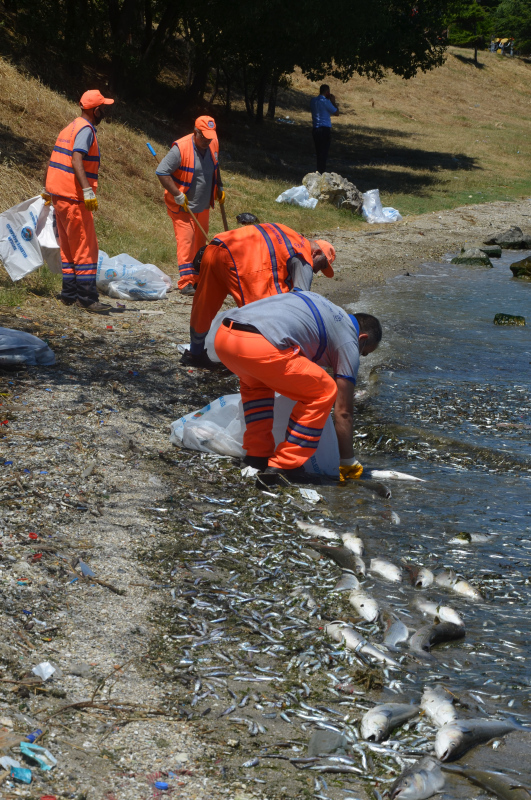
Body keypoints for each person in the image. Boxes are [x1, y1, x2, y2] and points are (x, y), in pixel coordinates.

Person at [213, 290, 382, 483]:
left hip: (225, 337)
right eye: (365, 353)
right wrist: (347, 460)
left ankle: (257, 455)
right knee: (324, 391)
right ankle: (285, 464)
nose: (360, 357)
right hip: (260, 345)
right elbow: (343, 411)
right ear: (361, 338)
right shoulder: (349, 339)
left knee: (258, 386)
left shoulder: (327, 309)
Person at [186, 223, 336, 366]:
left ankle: (195, 354)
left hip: (215, 248)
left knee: (204, 306)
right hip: (242, 263)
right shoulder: (304, 254)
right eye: (321, 265)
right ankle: (260, 361)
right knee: (265, 317)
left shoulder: (290, 236)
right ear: (316, 253)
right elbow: (301, 301)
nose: (316, 272)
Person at [44, 89, 114, 313]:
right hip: (74, 198)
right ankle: (87, 298)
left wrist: (49, 189)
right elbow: (76, 159)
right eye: (103, 108)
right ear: (96, 110)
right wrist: (87, 191)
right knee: (85, 247)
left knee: (68, 246)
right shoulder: (86, 130)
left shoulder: (70, 126)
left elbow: (57, 157)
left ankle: (69, 294)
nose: (104, 111)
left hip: (59, 195)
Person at [156, 116, 224, 296]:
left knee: (200, 243)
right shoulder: (181, 148)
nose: (207, 141)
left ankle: (197, 279)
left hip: (202, 205)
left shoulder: (213, 143)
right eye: (204, 137)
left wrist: (220, 187)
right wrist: (177, 194)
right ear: (196, 132)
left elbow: (215, 167)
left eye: (210, 137)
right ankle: (185, 282)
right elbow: (162, 172)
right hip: (182, 206)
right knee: (186, 241)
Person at [310, 84, 338, 174]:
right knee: (324, 152)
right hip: (324, 129)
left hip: (315, 128)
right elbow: (336, 112)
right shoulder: (326, 102)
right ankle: (322, 171)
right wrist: (333, 101)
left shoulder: (313, 101)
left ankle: (318, 170)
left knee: (318, 151)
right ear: (327, 93)